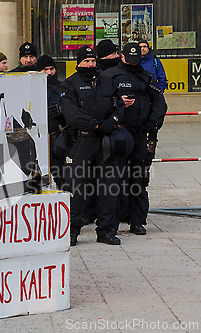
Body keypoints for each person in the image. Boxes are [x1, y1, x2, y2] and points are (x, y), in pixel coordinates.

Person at [60, 46, 124, 246]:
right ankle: (72, 231)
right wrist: (94, 125)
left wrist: (111, 121)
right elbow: (71, 114)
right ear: (78, 63)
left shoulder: (107, 81)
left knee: (109, 189)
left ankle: (106, 230)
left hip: (105, 140)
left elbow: (119, 106)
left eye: (93, 61)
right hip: (84, 140)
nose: (90, 65)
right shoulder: (70, 84)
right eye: (86, 61)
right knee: (78, 188)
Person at [100, 42, 167, 235]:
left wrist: (152, 125)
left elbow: (160, 104)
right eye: (129, 60)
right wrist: (117, 104)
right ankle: (111, 224)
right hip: (116, 133)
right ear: (122, 57)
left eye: (136, 60)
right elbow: (99, 103)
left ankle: (138, 221)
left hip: (139, 133)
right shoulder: (109, 76)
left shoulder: (146, 77)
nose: (132, 63)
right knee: (114, 181)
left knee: (138, 179)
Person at [35, 55, 64, 187]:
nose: (49, 73)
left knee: (59, 174)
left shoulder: (62, 87)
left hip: (56, 135)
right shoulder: (33, 88)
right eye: (45, 70)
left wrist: (61, 110)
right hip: (38, 136)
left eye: (52, 69)